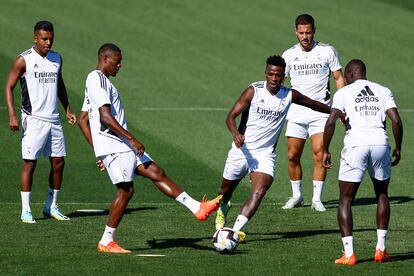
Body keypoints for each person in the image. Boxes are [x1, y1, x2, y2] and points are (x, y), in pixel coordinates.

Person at [78, 43, 221, 254]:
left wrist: (98, 150)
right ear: (105, 59)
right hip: (117, 144)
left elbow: (83, 119)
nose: (120, 66)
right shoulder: (96, 79)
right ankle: (107, 241)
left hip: (116, 144)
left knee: (156, 171)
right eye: (117, 61)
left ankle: (196, 208)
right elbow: (105, 117)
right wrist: (131, 139)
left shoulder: (100, 82)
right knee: (126, 190)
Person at [214, 55, 332, 240]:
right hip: (242, 150)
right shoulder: (253, 91)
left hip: (264, 154)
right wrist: (236, 134)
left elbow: (313, 104)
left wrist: (336, 112)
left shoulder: (289, 95)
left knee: (260, 190)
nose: (274, 78)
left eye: (278, 75)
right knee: (224, 192)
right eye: (271, 74)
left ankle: (234, 231)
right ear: (266, 74)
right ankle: (223, 208)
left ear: (284, 75)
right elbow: (230, 116)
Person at [322, 59, 403, 265]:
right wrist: (398, 147)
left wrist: (325, 149)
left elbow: (331, 121)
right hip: (379, 142)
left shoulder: (343, 93)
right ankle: (380, 250)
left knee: (346, 199)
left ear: (349, 75)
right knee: (382, 194)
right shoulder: (382, 90)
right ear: (363, 73)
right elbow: (396, 120)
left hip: (356, 144)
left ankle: (349, 254)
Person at [4, 21, 77, 223]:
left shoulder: (56, 58)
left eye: (51, 38)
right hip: (33, 119)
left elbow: (59, 84)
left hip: (54, 119)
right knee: (30, 163)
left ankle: (51, 206)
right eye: (44, 39)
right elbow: (8, 86)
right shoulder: (23, 60)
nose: (48, 42)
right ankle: (25, 210)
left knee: (59, 162)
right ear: (35, 38)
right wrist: (12, 114)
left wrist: (68, 109)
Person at [281, 14, 346, 211]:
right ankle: (297, 196)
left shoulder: (327, 51)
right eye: (301, 33)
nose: (305, 36)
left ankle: (317, 198)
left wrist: (342, 104)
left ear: (314, 31)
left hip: (321, 113)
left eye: (308, 32)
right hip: (296, 113)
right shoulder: (289, 55)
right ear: (295, 32)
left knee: (319, 154)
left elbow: (338, 77)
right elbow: (280, 83)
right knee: (293, 155)